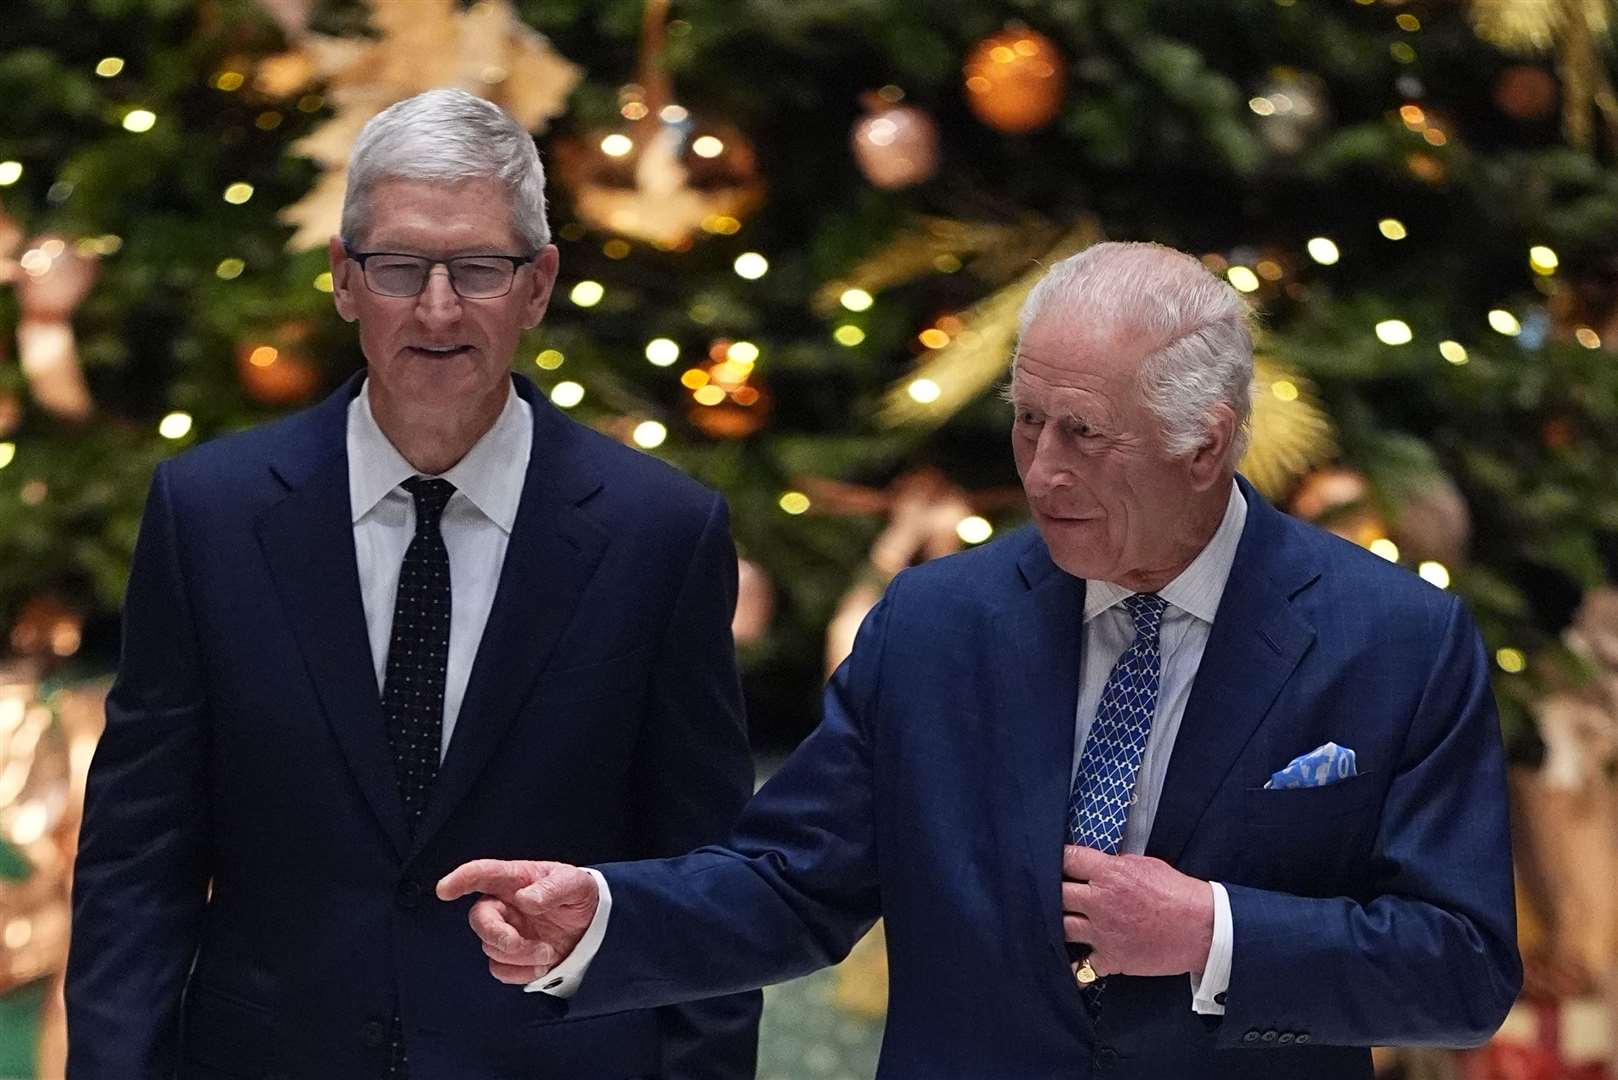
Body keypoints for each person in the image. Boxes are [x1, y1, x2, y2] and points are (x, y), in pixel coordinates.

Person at [438, 242, 1522, 1079]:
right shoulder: (934, 625)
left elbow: (1460, 972)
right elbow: (788, 884)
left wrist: (1214, 934)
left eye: (1084, 434)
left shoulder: (1395, 643)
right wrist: (605, 915)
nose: (1041, 471)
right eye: (1026, 421)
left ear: (1205, 443)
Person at [66, 88, 759, 1080]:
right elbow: (139, 862)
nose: (438, 309)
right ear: (345, 281)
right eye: (399, 268)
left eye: (478, 268)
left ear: (539, 282)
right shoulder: (209, 515)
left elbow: (701, 883)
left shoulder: (659, 534)